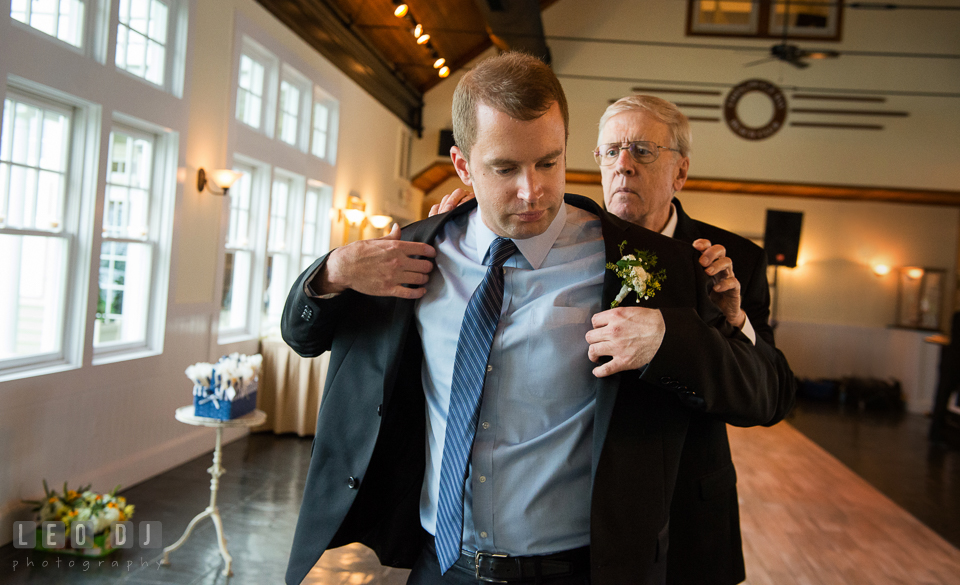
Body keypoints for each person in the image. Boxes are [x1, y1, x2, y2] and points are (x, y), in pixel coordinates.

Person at [281, 52, 788, 585]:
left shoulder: (656, 264)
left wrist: (677, 337)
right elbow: (303, 334)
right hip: (440, 564)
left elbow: (762, 391)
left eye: (549, 162)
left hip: (578, 569)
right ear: (463, 166)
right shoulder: (412, 256)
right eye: (505, 169)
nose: (534, 190)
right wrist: (331, 271)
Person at [596, 95, 796, 585]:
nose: (623, 165)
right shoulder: (567, 248)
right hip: (580, 515)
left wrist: (734, 322)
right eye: (610, 151)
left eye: (642, 151)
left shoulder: (736, 263)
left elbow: (770, 398)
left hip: (685, 519)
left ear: (680, 173)